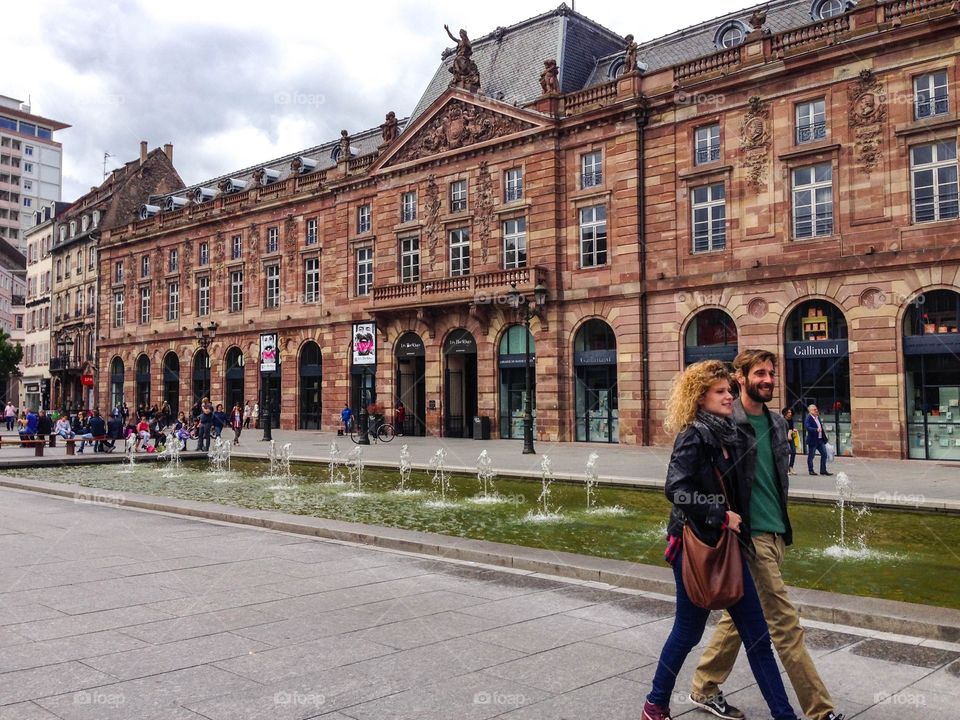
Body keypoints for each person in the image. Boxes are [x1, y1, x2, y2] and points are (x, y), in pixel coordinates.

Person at [689, 350, 844, 720]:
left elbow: (778, 478)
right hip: (750, 536)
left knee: (741, 618)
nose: (768, 379)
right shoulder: (727, 424)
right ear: (740, 378)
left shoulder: (776, 423)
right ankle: (820, 711)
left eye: (772, 373)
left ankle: (704, 686)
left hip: (775, 533)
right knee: (785, 624)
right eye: (759, 373)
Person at [642, 359, 799, 720]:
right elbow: (676, 489)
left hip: (731, 548)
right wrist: (719, 514)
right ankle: (655, 704)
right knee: (687, 631)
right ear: (700, 397)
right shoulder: (694, 434)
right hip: (697, 547)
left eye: (730, 390)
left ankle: (785, 715)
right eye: (720, 391)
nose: (729, 396)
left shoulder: (730, 432)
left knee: (758, 638)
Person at [804, 404, 831, 476]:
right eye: (814, 409)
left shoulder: (817, 417)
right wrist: (816, 429)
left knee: (824, 454)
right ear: (810, 411)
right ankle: (811, 470)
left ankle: (823, 470)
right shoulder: (808, 418)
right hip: (813, 440)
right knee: (811, 456)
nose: (816, 410)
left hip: (820, 440)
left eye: (816, 409)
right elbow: (808, 427)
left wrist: (824, 438)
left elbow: (821, 428)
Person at [782, 407, 798, 475]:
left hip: (790, 437)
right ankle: (786, 469)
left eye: (791, 412)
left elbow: (790, 428)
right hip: (783, 437)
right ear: (785, 413)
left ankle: (791, 467)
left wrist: (793, 430)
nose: (790, 414)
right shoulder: (782, 420)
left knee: (793, 451)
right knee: (785, 453)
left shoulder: (791, 420)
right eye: (788, 412)